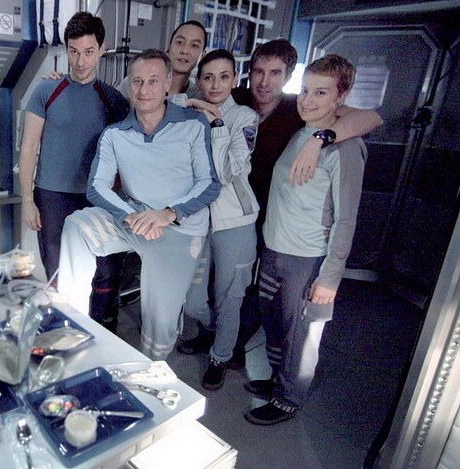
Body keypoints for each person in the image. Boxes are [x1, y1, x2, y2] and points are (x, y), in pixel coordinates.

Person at [178, 40, 383, 384]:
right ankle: (218, 337)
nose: (264, 81)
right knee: (225, 292)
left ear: (287, 77)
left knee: (246, 297)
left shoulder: (299, 111)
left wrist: (321, 138)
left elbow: (371, 117)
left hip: (259, 219)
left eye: (275, 73)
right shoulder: (234, 96)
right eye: (258, 71)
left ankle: (230, 350)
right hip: (247, 218)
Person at [57, 49, 219, 360]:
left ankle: (153, 373)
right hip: (135, 221)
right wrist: (132, 216)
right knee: (76, 225)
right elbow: (96, 186)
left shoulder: (193, 124)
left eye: (153, 81)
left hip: (179, 230)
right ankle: (73, 324)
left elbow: (209, 183)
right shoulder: (115, 134)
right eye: (138, 81)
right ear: (129, 84)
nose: (144, 90)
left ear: (168, 84)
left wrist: (168, 214)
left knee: (160, 328)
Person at [244, 54, 366, 425]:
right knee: (275, 325)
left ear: (341, 96)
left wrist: (330, 277)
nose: (308, 100)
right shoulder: (303, 133)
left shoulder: (346, 149)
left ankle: (288, 399)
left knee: (300, 335)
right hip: (275, 250)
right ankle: (278, 381)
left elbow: (346, 218)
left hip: (307, 259)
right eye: (305, 90)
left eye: (321, 92)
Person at [18, 12, 129, 331]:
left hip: (97, 197)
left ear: (102, 49)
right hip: (52, 196)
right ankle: (65, 330)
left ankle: (99, 330)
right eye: (74, 51)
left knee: (105, 269)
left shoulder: (112, 99)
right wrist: (27, 199)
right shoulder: (46, 91)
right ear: (66, 49)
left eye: (89, 51)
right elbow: (29, 147)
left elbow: (127, 151)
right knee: (57, 270)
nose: (81, 61)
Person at [180, 49, 259, 391]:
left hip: (234, 222)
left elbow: (228, 172)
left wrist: (216, 124)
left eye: (224, 77)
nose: (215, 84)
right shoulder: (190, 111)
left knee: (230, 296)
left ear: (235, 80)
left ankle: (221, 355)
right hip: (197, 220)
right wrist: (192, 105)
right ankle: (212, 332)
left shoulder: (244, 117)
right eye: (208, 77)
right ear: (199, 80)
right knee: (192, 298)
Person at [117, 20, 207, 104]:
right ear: (168, 48)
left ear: (202, 56)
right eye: (180, 42)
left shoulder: (199, 97)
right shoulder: (137, 82)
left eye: (194, 45)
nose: (185, 51)